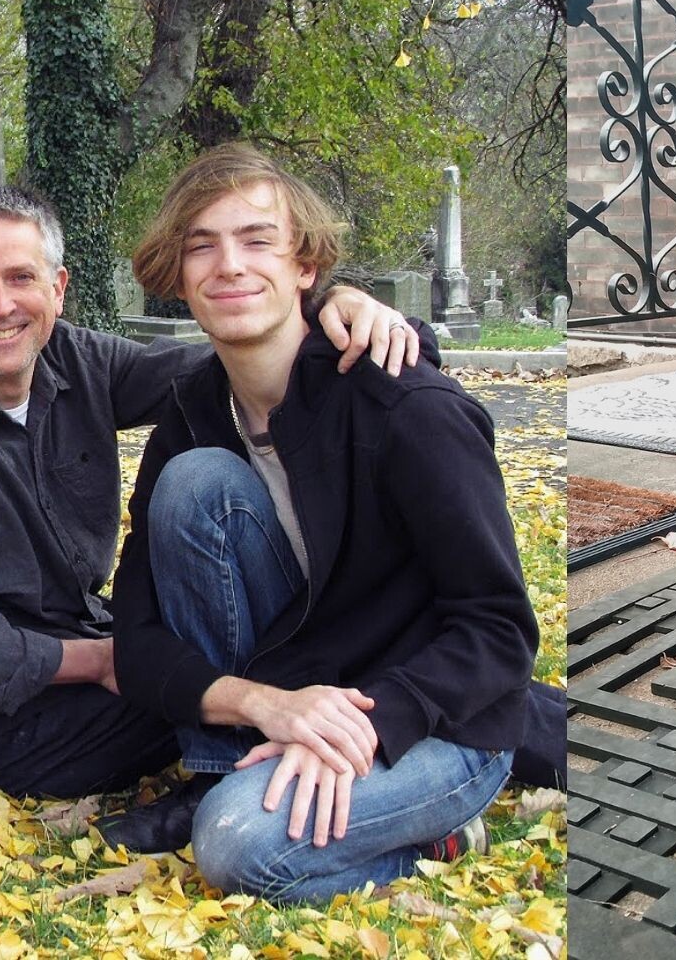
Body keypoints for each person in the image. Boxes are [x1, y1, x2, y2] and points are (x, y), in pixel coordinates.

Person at [0, 185, 419, 814]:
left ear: (58, 289)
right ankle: (267, 776)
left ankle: (401, 715)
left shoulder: (72, 359)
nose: (1, 305)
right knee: (246, 676)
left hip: (100, 634)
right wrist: (101, 661)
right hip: (11, 718)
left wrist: (337, 309)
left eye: (21, 277)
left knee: (265, 651)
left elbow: (226, 362)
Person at [109, 143, 563, 903]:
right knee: (196, 486)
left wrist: (366, 729)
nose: (229, 265)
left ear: (306, 268)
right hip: (296, 694)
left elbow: (499, 629)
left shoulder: (407, 410)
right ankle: (218, 766)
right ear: (178, 277)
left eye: (257, 240)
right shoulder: (190, 414)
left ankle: (445, 831)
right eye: (202, 246)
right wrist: (265, 707)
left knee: (234, 846)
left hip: (436, 720)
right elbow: (137, 627)